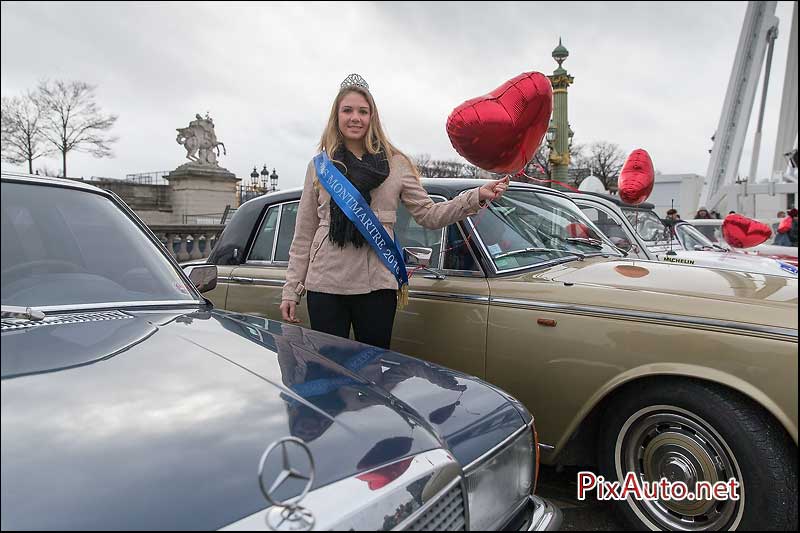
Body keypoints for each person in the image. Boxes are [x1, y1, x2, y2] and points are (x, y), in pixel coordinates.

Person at [279, 73, 508, 349]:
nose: (355, 118)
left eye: (363, 111)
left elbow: (429, 214)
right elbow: (304, 234)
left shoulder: (397, 165)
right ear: (336, 116)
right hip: (326, 283)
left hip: (377, 283)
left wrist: (475, 197)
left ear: (372, 117)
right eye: (348, 110)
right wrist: (291, 289)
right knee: (328, 370)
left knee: (373, 370)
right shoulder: (320, 167)